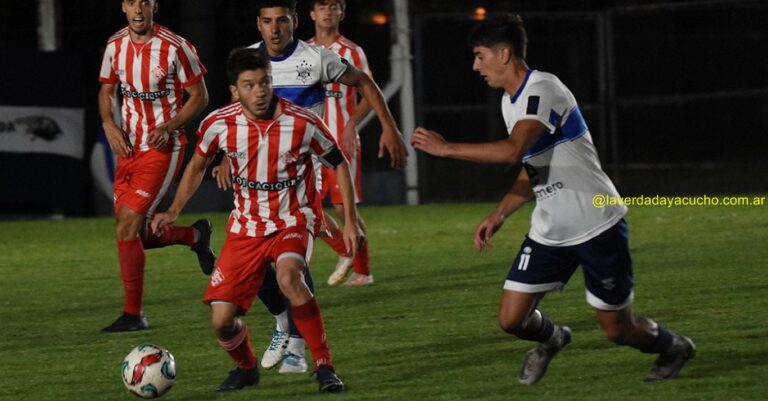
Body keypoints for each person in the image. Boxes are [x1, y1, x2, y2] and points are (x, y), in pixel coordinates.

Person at [411, 14, 695, 385]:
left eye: (481, 56)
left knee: (617, 330)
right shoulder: (509, 103)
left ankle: (674, 347)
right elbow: (535, 167)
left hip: (596, 225)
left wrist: (447, 149)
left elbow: (514, 151)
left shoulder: (544, 88)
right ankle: (554, 337)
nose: (475, 66)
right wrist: (500, 214)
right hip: (550, 231)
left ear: (505, 53)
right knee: (511, 319)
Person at [212, 0, 407, 374]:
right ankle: (287, 324)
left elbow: (363, 81)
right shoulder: (249, 58)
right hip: (255, 179)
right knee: (261, 264)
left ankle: (299, 347)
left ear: (294, 22)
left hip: (303, 176)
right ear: (258, 23)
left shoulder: (316, 59)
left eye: (281, 21)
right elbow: (234, 110)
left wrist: (389, 126)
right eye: (267, 21)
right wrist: (223, 155)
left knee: (291, 266)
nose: (274, 29)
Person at [152, 47, 352, 393]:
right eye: (249, 85)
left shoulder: (302, 122)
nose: (259, 92)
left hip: (293, 220)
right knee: (222, 321)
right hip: (246, 228)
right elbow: (197, 166)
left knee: (289, 277)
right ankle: (246, 368)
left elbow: (339, 163)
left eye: (264, 83)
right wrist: (173, 210)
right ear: (235, 90)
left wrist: (349, 219)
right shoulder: (218, 124)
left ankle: (324, 367)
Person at [97, 0, 215, 332]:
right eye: (132, 2)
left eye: (145, 2)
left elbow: (200, 96)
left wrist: (169, 126)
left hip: (164, 147)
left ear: (154, 6)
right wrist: (109, 124)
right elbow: (107, 92)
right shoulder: (114, 45)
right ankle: (194, 236)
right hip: (128, 148)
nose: (138, 9)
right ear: (123, 6)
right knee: (136, 236)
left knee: (128, 227)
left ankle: (134, 314)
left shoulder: (176, 47)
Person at [309, 0, 375, 287]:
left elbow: (370, 92)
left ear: (342, 14)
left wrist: (350, 125)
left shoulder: (351, 51)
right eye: (322, 6)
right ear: (312, 14)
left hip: (341, 140)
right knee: (309, 206)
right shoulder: (303, 51)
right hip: (310, 143)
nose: (327, 12)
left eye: (334, 6)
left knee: (343, 209)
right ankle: (344, 251)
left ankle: (363, 270)